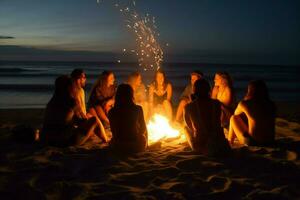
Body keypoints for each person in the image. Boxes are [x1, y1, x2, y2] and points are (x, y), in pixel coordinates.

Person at [41, 75, 107, 147]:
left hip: (46, 139)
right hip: (64, 141)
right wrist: (86, 118)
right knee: (95, 120)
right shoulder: (72, 102)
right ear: (70, 87)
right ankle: (106, 140)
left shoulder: (52, 102)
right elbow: (81, 122)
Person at [184, 79, 230, 156]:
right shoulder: (216, 103)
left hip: (201, 144)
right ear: (209, 90)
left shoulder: (188, 107)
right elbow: (218, 121)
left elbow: (189, 126)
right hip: (219, 142)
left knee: (185, 129)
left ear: (194, 91)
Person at [228, 80, 276, 146]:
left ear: (250, 91)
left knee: (233, 118)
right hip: (270, 141)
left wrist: (245, 100)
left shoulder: (245, 104)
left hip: (254, 142)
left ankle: (229, 140)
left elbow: (236, 114)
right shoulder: (272, 104)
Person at [108, 84, 148, 153]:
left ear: (117, 95)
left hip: (118, 147)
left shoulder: (111, 111)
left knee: (111, 141)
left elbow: (114, 131)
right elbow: (143, 129)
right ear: (131, 95)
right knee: (144, 135)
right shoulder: (138, 109)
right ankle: (147, 146)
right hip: (136, 146)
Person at [71, 68, 107, 141]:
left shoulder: (73, 90)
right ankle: (105, 139)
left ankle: (98, 134)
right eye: (84, 77)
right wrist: (87, 120)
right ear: (78, 79)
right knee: (95, 120)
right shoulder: (78, 91)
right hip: (76, 124)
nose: (85, 79)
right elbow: (79, 111)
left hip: (76, 121)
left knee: (91, 113)